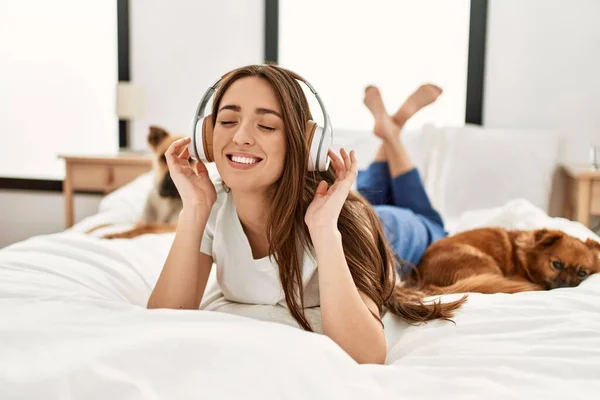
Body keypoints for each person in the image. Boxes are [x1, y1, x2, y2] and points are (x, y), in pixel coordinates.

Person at [147, 64, 465, 365]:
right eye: (228, 121)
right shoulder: (212, 208)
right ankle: (391, 129)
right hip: (336, 195)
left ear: (305, 143)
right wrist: (194, 209)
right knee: (370, 182)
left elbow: (365, 355)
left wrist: (325, 229)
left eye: (267, 125)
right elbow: (162, 319)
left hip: (388, 226)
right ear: (206, 138)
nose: (240, 136)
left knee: (430, 221)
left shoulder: (345, 219)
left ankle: (394, 130)